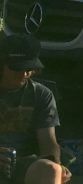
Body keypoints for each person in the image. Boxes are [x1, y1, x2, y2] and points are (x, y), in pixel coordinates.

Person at [0, 33, 71, 184]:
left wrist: (56, 164)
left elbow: (48, 142)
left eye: (29, 68)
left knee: (50, 169)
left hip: (24, 163)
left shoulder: (41, 94)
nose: (24, 73)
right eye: (18, 68)